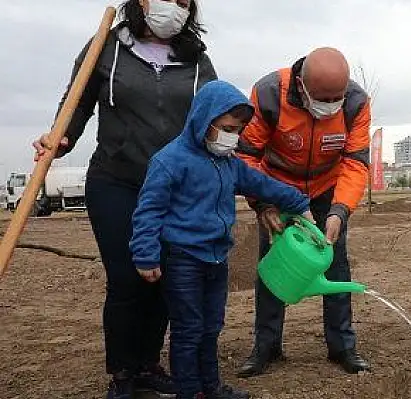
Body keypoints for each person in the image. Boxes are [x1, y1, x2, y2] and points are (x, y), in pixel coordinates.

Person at [32, 1, 217, 397]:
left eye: (183, 1)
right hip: (117, 179)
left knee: (163, 276)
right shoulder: (107, 46)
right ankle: (123, 372)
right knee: (127, 278)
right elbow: (77, 103)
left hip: (173, 188)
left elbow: (211, 114)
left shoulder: (196, 57)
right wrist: (59, 139)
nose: (174, 7)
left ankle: (149, 364)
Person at [129, 80, 313, 399]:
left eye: (238, 130)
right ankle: (190, 391)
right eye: (227, 128)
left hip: (216, 258)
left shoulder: (228, 163)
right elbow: (149, 210)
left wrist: (299, 204)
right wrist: (145, 254)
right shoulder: (169, 161)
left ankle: (211, 387)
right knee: (188, 330)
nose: (233, 137)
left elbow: (262, 184)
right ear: (204, 119)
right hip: (183, 259)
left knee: (212, 326)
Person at [235, 47, 372, 376]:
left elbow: (355, 163)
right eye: (322, 98)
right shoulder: (268, 94)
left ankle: (342, 346)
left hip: (327, 189)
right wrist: (263, 202)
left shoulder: (355, 102)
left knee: (335, 262)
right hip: (276, 189)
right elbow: (247, 157)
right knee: (274, 264)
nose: (330, 105)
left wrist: (340, 210)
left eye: (336, 97)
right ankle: (266, 346)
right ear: (301, 84)